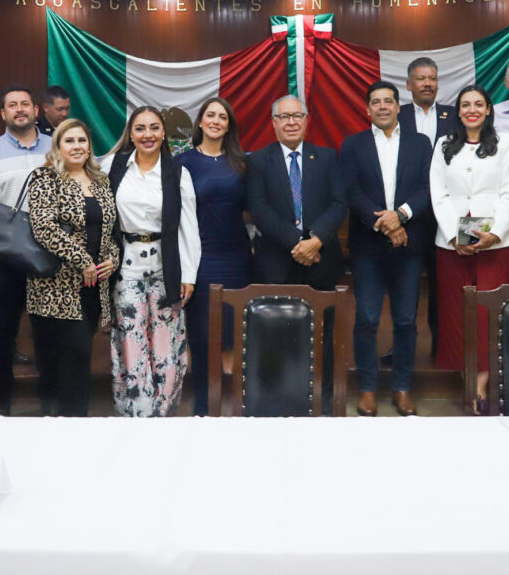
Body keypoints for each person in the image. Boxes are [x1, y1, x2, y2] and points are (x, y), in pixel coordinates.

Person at [339, 81, 432, 416]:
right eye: (376, 102)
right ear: (367, 110)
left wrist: (401, 216)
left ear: (397, 107)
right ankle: (367, 388)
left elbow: (428, 187)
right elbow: (351, 192)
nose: (382, 107)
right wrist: (386, 224)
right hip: (367, 247)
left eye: (388, 101)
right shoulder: (353, 145)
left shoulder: (421, 143)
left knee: (406, 320)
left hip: (409, 245)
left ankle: (402, 387)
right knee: (366, 318)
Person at [247, 95, 347, 404]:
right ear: (274, 123)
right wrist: (297, 243)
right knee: (275, 333)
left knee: (322, 334)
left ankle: (323, 399)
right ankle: (277, 398)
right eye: (284, 117)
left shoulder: (327, 157)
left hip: (322, 261)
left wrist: (315, 240)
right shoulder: (258, 160)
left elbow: (339, 203)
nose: (291, 122)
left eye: (297, 116)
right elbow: (258, 208)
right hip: (276, 263)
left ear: (306, 120)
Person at [103, 106, 200, 417]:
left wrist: (189, 275)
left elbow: (188, 228)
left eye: (154, 128)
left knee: (164, 345)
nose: (148, 134)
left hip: (165, 269)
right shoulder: (113, 166)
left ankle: (162, 414)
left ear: (163, 133)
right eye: (140, 128)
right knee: (131, 344)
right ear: (131, 134)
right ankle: (136, 414)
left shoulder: (178, 172)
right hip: (126, 269)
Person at [430, 84, 509, 412]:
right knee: (457, 314)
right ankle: (467, 378)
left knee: (487, 313)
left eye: (478, 104)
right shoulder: (444, 144)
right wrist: (455, 236)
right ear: (458, 111)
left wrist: (494, 233)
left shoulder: (505, 143)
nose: (472, 110)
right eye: (466, 105)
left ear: (488, 110)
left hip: (496, 243)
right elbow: (438, 192)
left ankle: (481, 386)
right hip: (452, 244)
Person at [26, 118, 118, 416]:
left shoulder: (101, 181)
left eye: (82, 140)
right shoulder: (45, 178)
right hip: (54, 287)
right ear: (58, 147)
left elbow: (111, 231)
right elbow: (43, 228)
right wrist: (83, 260)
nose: (77, 146)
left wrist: (112, 259)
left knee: (79, 358)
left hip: (92, 289)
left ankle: (77, 426)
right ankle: (55, 424)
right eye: (69, 140)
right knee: (56, 363)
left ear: (89, 146)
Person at [0, 86, 53, 414]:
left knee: (49, 335)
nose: (19, 109)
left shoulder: (58, 146)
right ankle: (1, 410)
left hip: (51, 256)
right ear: (2, 114)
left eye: (25, 104)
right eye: (12, 105)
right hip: (6, 257)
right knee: (1, 335)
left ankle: (52, 408)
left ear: (36, 110)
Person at [176, 97, 251, 416]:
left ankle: (233, 404)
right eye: (211, 115)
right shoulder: (184, 162)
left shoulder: (242, 162)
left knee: (235, 333)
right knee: (203, 333)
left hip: (237, 258)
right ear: (201, 122)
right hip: (201, 259)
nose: (216, 121)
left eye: (223, 117)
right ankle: (204, 405)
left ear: (229, 125)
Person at [396, 56, 454, 360]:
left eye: (432, 78)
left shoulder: (455, 115)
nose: (427, 84)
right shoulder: (396, 114)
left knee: (446, 285)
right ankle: (400, 349)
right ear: (409, 85)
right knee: (403, 286)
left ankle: (442, 349)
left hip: (449, 218)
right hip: (408, 217)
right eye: (421, 79)